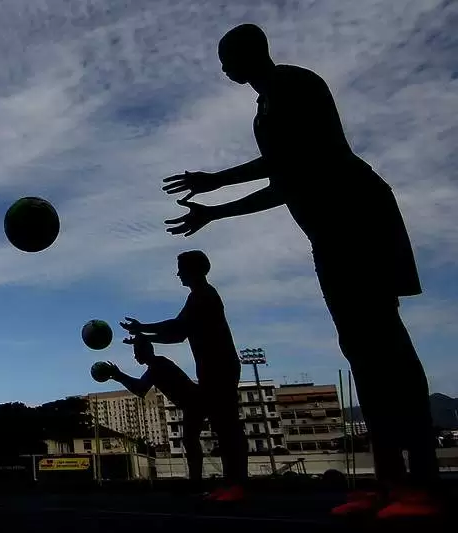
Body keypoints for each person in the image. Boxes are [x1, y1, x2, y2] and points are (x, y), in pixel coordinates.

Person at [162, 23, 439, 519]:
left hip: (360, 219)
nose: (223, 67)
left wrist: (217, 194)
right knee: (361, 353)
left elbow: (295, 171)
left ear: (252, 53)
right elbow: (282, 174)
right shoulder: (264, 113)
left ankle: (421, 485)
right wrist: (213, 196)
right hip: (329, 237)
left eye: (227, 57)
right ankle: (388, 482)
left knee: (387, 350)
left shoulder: (296, 86)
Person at [121, 250, 248, 501]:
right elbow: (178, 333)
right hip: (213, 368)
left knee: (227, 426)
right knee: (224, 427)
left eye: (181, 268)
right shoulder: (198, 297)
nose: (178, 273)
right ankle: (231, 483)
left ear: (193, 270)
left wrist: (143, 330)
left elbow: (178, 329)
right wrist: (144, 333)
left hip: (219, 367)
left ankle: (237, 485)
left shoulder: (204, 296)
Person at [106, 334, 205, 484]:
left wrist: (120, 376)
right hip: (193, 403)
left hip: (195, 402)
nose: (134, 357)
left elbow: (140, 389)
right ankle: (196, 480)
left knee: (191, 441)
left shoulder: (157, 365)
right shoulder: (158, 364)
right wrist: (137, 340)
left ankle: (197, 481)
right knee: (191, 441)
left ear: (143, 351)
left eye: (135, 353)